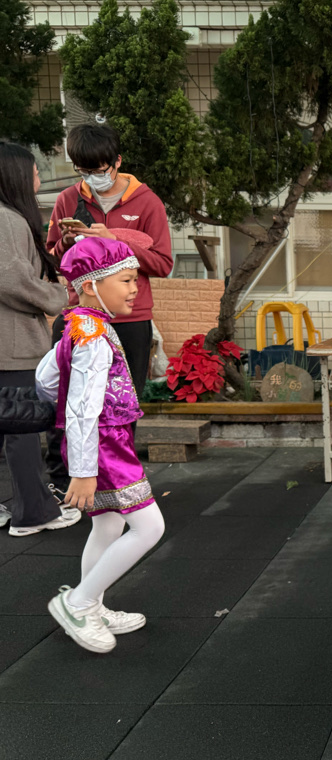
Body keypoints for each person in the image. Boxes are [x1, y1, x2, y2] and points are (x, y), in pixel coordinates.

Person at [36, 238, 165, 653]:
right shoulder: (93, 335)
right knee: (149, 528)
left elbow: (46, 380)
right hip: (105, 447)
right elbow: (81, 409)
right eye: (126, 280)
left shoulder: (80, 324)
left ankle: (92, 605)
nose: (135, 288)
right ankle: (78, 603)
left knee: (108, 525)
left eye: (135, 280)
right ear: (91, 285)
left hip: (103, 443)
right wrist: (83, 470)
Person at [43, 123, 173, 489]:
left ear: (117, 161)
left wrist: (115, 240)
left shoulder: (146, 202)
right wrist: (66, 242)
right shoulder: (68, 199)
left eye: (98, 169)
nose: (91, 177)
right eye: (83, 170)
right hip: (80, 315)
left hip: (131, 319)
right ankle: (62, 484)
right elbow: (53, 261)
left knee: (121, 406)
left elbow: (163, 264)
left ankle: (118, 483)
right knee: (67, 401)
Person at [0, 141, 81, 537]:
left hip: (7, 341)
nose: (38, 176)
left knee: (10, 427)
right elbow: (11, 278)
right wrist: (59, 295)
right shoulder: (8, 219)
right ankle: (34, 514)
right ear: (16, 175)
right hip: (12, 343)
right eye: (34, 170)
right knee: (22, 430)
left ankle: (21, 508)